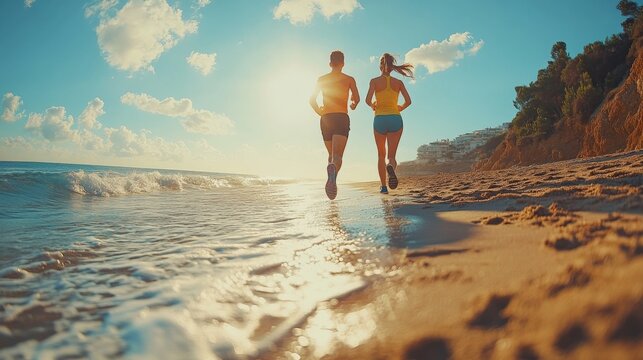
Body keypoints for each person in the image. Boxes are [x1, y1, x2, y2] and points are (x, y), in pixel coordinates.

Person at [310, 50, 360, 200]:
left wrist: (321, 113)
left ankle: (331, 170)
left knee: (331, 155)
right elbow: (356, 99)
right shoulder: (349, 79)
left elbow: (312, 100)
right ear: (343, 63)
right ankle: (333, 173)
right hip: (341, 117)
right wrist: (353, 105)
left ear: (330, 63)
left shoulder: (321, 79)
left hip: (326, 119)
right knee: (337, 156)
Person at [365, 53, 413, 194]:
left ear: (380, 65)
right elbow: (408, 101)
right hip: (395, 119)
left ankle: (383, 186)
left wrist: (373, 105)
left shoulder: (374, 81)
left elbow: (367, 100)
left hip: (379, 119)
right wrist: (400, 108)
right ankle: (390, 166)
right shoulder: (398, 83)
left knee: (380, 155)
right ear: (392, 67)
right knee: (391, 156)